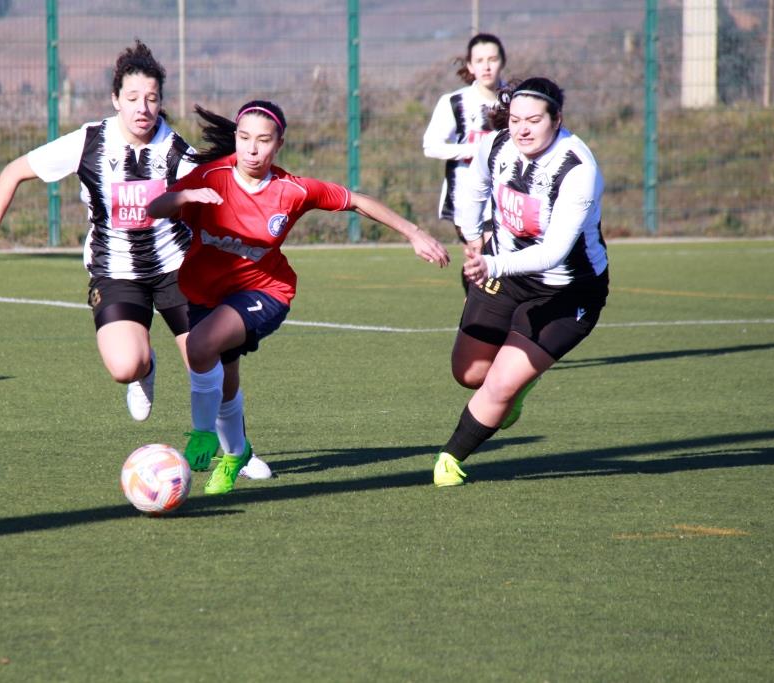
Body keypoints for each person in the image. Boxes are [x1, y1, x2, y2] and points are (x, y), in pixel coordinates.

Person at [0, 41, 272, 477]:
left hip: (178, 270)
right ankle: (145, 368)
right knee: (126, 365)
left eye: (152, 98)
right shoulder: (89, 141)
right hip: (115, 273)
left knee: (211, 363)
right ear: (115, 100)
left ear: (161, 102)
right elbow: (13, 171)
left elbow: (225, 195)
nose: (142, 108)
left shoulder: (176, 151)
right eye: (132, 98)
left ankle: (237, 451)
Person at [148, 100, 451, 495]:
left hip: (265, 291)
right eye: (244, 138)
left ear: (279, 144)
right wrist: (187, 197)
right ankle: (236, 454)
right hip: (206, 293)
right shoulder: (211, 176)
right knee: (224, 380)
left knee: (201, 347)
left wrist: (414, 232)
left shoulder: (292, 190)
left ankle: (203, 433)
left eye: (263, 141)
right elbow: (156, 207)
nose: (252, 149)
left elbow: (356, 200)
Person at [433, 77, 609, 488]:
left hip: (567, 291)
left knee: (499, 384)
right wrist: (472, 235)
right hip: (506, 274)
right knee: (469, 373)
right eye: (515, 120)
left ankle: (450, 459)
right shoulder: (496, 146)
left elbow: (553, 253)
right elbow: (472, 186)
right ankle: (519, 381)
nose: (522, 130)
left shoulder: (578, 170)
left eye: (533, 121)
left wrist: (491, 264)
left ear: (557, 119)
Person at [423, 33, 506, 290]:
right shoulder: (455, 102)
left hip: (507, 196)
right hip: (466, 197)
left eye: (492, 59)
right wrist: (476, 150)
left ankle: (478, 305)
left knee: (497, 260)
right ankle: (475, 304)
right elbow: (431, 146)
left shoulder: (516, 100)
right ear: (470, 66)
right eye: (479, 60)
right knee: (481, 255)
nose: (486, 66)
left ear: (502, 61)